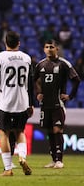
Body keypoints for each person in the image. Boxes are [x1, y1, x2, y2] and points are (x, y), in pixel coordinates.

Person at [0, 31, 34, 176]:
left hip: (5, 102)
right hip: (22, 101)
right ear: (18, 43)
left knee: (3, 133)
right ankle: (22, 157)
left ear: (5, 42)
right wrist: (31, 103)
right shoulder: (27, 58)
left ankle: (8, 168)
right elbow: (31, 83)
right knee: (20, 132)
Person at [34, 39, 80, 169]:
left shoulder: (64, 64)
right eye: (47, 47)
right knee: (49, 131)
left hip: (58, 104)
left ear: (57, 49)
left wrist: (70, 96)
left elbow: (76, 79)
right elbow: (33, 80)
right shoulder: (40, 65)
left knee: (57, 130)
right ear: (44, 49)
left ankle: (60, 160)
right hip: (45, 104)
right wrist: (38, 92)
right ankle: (54, 160)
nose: (49, 49)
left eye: (52, 47)